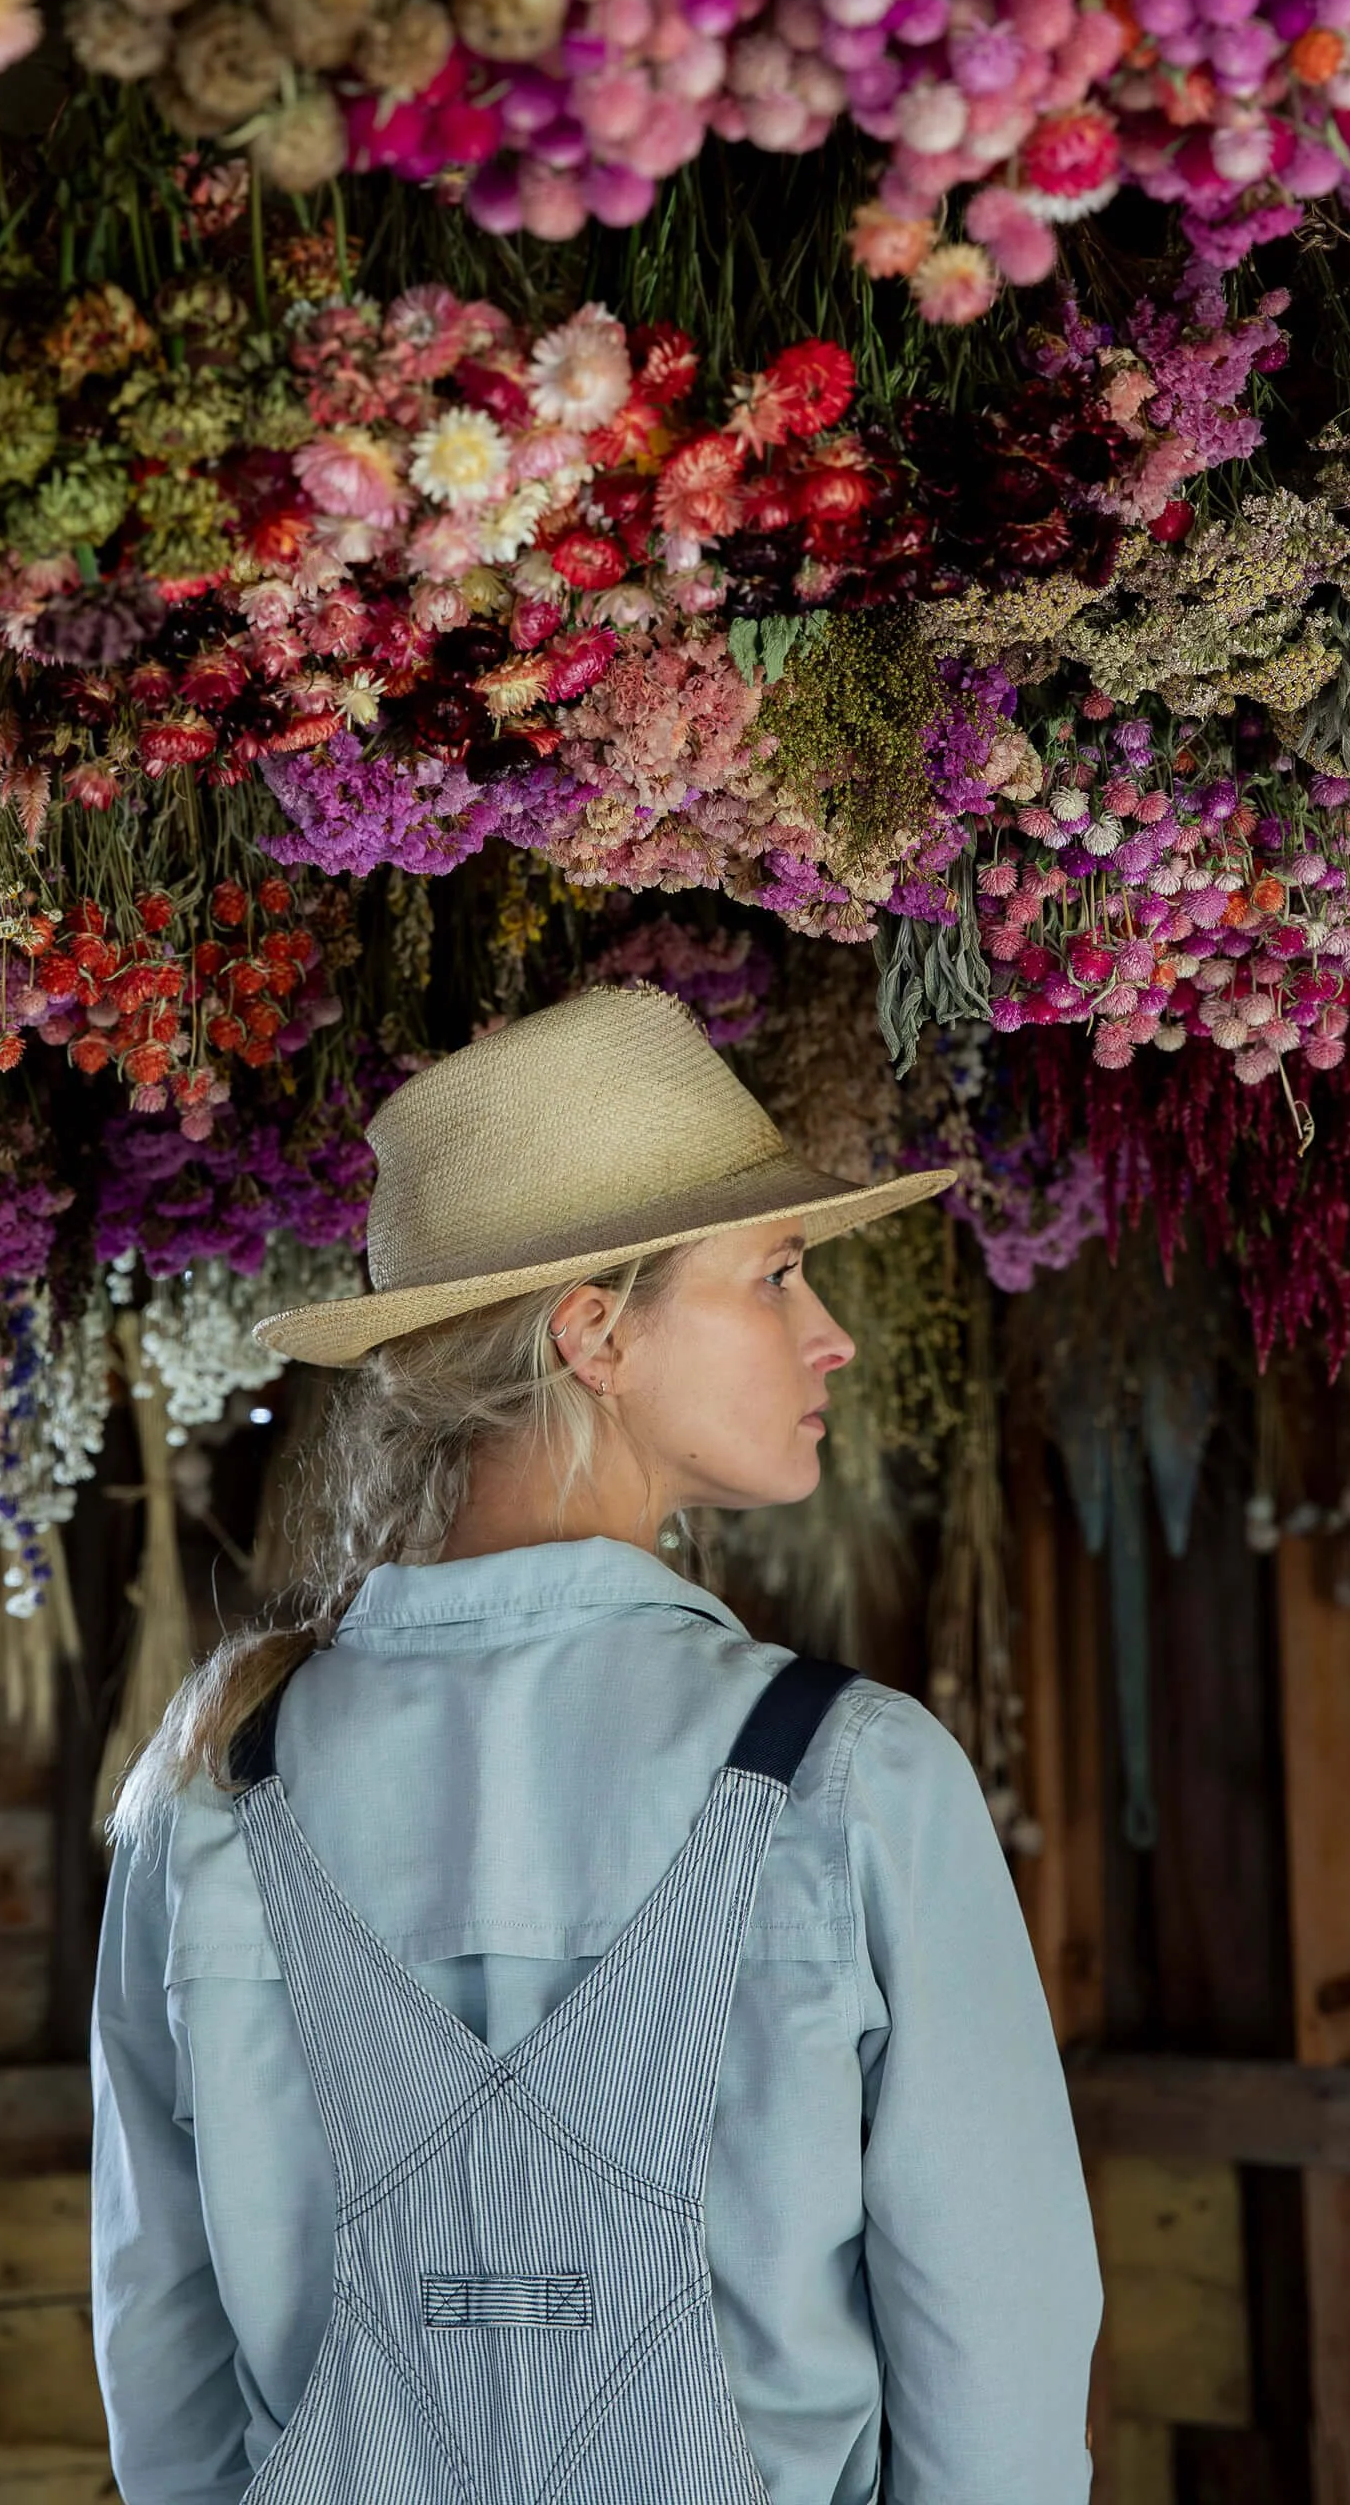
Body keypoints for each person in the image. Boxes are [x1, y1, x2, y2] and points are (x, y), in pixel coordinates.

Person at [92, 983, 1101, 2505]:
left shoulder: (223, 1780)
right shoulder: (850, 1778)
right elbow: (997, 2358)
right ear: (594, 1334)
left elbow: (158, 2345)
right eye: (775, 1277)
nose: (827, 1338)